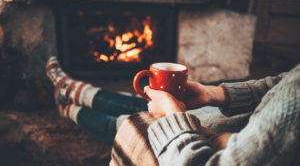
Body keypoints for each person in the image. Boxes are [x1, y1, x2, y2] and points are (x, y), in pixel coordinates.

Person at [46, 56, 300, 165]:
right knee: (143, 102)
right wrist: (214, 94)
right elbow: (279, 83)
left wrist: (172, 117)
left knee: (132, 123)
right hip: (236, 127)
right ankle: (75, 91)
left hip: (219, 145)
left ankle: (68, 107)